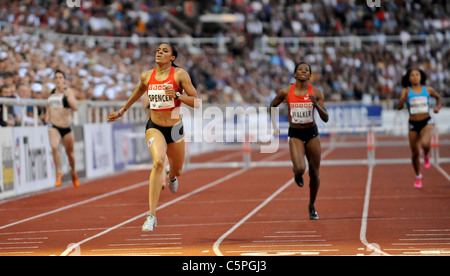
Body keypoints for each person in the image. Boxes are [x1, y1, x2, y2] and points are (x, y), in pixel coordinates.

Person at [107, 43, 199, 231]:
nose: (159, 52)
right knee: (158, 161)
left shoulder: (180, 75)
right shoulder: (147, 75)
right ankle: (151, 215)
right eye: (158, 50)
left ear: (172, 58)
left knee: (177, 170)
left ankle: (171, 177)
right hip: (154, 126)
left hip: (175, 129)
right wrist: (122, 110)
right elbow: (139, 91)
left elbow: (196, 102)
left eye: (165, 51)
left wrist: (178, 96)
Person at [270, 62, 329, 220]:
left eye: (307, 70)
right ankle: (297, 173)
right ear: (295, 74)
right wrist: (275, 127)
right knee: (301, 168)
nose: (304, 72)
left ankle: (311, 205)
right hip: (295, 133)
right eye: (300, 70)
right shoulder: (286, 92)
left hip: (312, 133)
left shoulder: (316, 93)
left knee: (315, 173)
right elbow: (272, 106)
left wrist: (316, 105)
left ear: (309, 75)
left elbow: (326, 118)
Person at [397, 68, 441, 188]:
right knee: (415, 153)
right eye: (412, 75)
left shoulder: (428, 89)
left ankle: (426, 155)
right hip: (413, 124)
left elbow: (438, 97)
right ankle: (418, 176)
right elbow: (399, 107)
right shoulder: (406, 91)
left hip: (426, 121)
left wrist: (438, 107)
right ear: (409, 79)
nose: (415, 77)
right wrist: (403, 98)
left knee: (425, 143)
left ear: (421, 77)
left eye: (417, 74)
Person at [45, 69, 79, 188]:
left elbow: (75, 107)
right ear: (54, 80)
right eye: (56, 78)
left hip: (66, 127)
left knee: (70, 153)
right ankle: (59, 172)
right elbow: (49, 105)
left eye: (60, 78)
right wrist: (47, 115)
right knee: (54, 147)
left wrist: (67, 96)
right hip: (53, 125)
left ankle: (73, 172)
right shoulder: (52, 92)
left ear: (64, 80)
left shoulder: (69, 91)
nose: (58, 80)